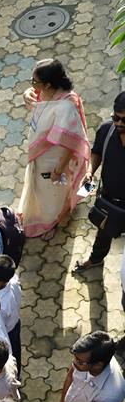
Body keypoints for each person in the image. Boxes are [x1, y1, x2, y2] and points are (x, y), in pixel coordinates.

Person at [19, 58, 90, 240]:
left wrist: (58, 171)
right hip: (40, 156)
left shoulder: (66, 107)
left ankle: (52, 221)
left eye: (34, 82)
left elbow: (71, 144)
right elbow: (34, 97)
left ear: (48, 84)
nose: (32, 85)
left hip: (55, 161)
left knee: (52, 194)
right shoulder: (45, 91)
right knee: (40, 190)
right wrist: (27, 93)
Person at [75, 92, 125, 272]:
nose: (119, 123)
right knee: (103, 232)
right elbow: (96, 152)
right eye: (116, 118)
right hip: (109, 199)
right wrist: (90, 171)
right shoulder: (106, 130)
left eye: (124, 120)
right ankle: (95, 260)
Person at [54, 331, 125, 402]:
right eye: (74, 356)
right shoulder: (84, 358)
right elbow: (70, 376)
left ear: (98, 365)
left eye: (79, 361)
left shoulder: (110, 396)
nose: (74, 362)